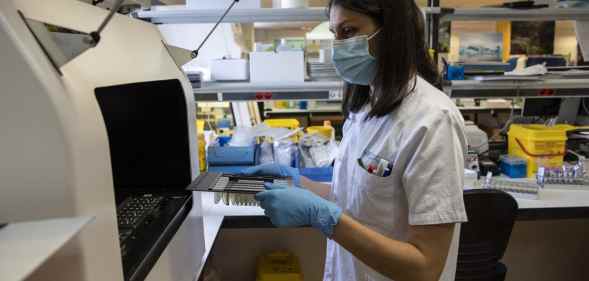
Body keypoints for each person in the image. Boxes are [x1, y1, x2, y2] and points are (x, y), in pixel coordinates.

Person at [244, 0, 468, 280]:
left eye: (348, 31)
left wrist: (324, 218)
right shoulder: (365, 109)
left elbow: (425, 267)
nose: (338, 45)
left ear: (392, 33)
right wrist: (299, 183)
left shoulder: (432, 120)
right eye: (334, 33)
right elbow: (359, 197)